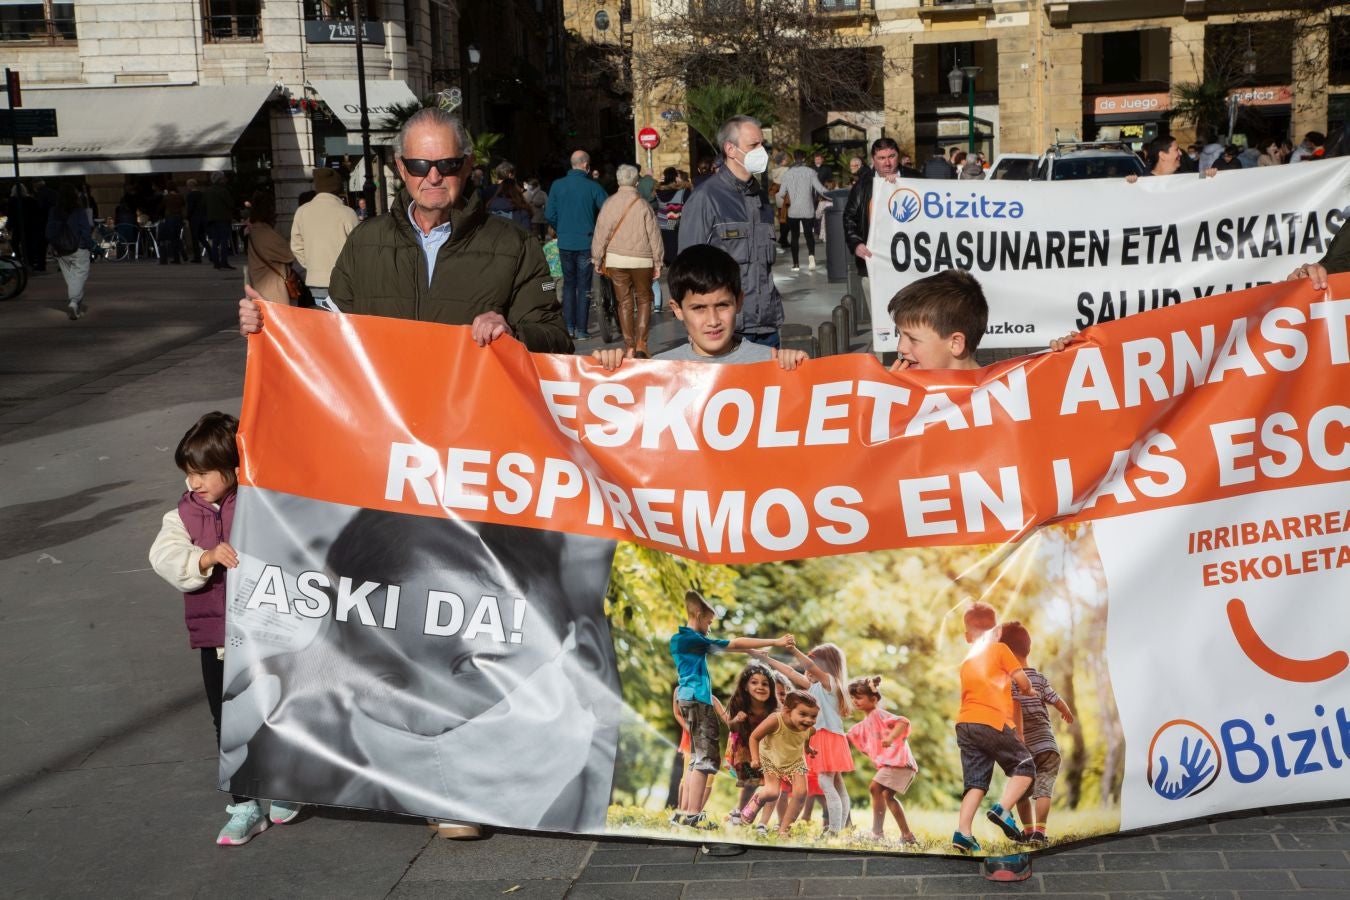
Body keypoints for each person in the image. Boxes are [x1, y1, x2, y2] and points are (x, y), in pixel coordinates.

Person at [225, 509, 621, 836]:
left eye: (474, 663)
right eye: (388, 680)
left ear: (586, 658)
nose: (433, 719)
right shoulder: (355, 787)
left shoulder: (646, 796)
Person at [239, 107, 570, 357]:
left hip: (471, 436)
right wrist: (269, 323)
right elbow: (331, 325)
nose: (434, 176)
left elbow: (556, 338)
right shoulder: (366, 240)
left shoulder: (515, 245)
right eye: (419, 165)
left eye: (448, 164)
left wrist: (513, 333)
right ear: (401, 167)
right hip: (390, 434)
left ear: (468, 166)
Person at [147, 412, 302, 845]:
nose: (194, 483)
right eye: (188, 475)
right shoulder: (183, 514)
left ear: (233, 468)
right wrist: (205, 558)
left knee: (277, 708)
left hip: (267, 633)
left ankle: (287, 785)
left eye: (202, 474)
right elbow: (164, 555)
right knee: (228, 718)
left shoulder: (260, 501)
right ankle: (245, 804)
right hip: (217, 637)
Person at [667, 590, 794, 829]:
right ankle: (693, 815)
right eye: (708, 622)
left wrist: (749, 652)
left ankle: (686, 813)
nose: (710, 627)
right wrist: (774, 642)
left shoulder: (682, 640)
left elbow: (733, 647)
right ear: (697, 614)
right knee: (706, 759)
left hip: (690, 700)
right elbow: (733, 644)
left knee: (697, 758)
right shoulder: (691, 639)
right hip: (697, 700)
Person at [677, 115, 784, 348]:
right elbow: (687, 270)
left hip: (767, 328)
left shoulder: (761, 198)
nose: (761, 151)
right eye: (753, 145)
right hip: (727, 332)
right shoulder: (705, 199)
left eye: (762, 145)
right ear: (730, 149)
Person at [950, 602, 1036, 853]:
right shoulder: (999, 649)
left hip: (965, 724)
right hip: (992, 721)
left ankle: (963, 833)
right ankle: (1003, 809)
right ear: (997, 631)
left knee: (975, 783)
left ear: (968, 637)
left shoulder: (967, 661)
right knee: (1025, 766)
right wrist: (1028, 687)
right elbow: (1022, 680)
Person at [752, 642, 854, 835]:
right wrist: (766, 659)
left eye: (814, 664)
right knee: (837, 784)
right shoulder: (815, 686)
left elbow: (809, 666)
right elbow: (790, 672)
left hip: (828, 737)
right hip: (826, 738)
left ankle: (833, 832)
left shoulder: (830, 682)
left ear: (825, 665)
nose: (808, 669)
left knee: (826, 783)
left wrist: (793, 650)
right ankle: (839, 830)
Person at [998, 622, 1075, 846]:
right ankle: (1040, 832)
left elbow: (1012, 708)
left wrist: (1015, 733)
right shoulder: (1039, 678)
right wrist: (1066, 711)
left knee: (1021, 791)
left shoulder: (1009, 682)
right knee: (1044, 789)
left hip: (1023, 748)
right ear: (1028, 649)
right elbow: (1055, 699)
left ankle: (1029, 831)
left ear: (1006, 653)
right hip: (1047, 746)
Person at [591, 163, 663, 357]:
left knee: (623, 302)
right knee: (645, 299)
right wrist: (658, 262)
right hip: (642, 261)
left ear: (618, 181)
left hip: (617, 260)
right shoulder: (643, 205)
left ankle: (629, 347)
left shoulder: (609, 204)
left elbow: (601, 233)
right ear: (636, 182)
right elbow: (654, 235)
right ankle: (642, 344)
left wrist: (597, 259)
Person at [737, 689, 819, 837]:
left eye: (813, 716)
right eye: (803, 714)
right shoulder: (776, 720)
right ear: (787, 711)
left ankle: (784, 831)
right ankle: (757, 800)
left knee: (801, 793)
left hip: (795, 760)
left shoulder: (810, 729)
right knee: (772, 792)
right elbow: (754, 737)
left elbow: (806, 737)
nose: (809, 720)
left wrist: (808, 748)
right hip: (771, 758)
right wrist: (755, 759)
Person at [847, 676, 919, 845]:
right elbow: (850, 736)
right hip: (896, 765)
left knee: (875, 788)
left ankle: (877, 833)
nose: (854, 701)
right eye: (852, 698)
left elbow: (903, 722)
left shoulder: (878, 714)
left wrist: (891, 737)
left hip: (899, 763)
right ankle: (907, 836)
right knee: (887, 796)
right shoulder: (866, 722)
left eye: (858, 697)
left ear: (873, 699)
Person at [546, 150, 609, 339]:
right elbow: (607, 209)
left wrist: (561, 228)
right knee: (583, 287)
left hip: (565, 242)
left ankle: (569, 327)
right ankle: (582, 330)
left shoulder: (557, 186)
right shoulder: (592, 186)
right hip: (585, 242)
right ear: (586, 166)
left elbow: (549, 214)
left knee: (568, 285)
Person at [887, 268, 987, 372]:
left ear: (955, 343)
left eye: (913, 339)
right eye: (900, 334)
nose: (900, 348)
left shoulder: (997, 388)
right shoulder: (907, 384)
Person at [290, 167, 359, 308]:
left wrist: (310, 263)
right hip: (344, 280)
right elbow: (358, 248)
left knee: (322, 322)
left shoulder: (302, 211)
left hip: (315, 279)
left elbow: (296, 246)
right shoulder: (347, 213)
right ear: (337, 188)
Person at [843, 138, 903, 287]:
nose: (887, 163)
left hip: (908, 262)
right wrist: (856, 243)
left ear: (898, 156)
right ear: (873, 160)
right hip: (873, 261)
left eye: (891, 156)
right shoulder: (862, 185)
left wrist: (902, 183)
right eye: (881, 158)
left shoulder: (915, 178)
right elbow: (849, 217)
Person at [723, 662, 778, 824]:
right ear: (745, 686)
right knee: (751, 783)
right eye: (754, 682)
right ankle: (740, 813)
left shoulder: (773, 710)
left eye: (765, 684)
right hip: (744, 750)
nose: (760, 687)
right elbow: (731, 727)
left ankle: (750, 815)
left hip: (766, 750)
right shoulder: (739, 703)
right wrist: (736, 719)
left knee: (769, 786)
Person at [45, 184, 94, 320]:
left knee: (71, 277)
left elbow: (49, 231)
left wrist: (54, 244)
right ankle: (73, 302)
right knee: (80, 275)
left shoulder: (54, 211)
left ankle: (76, 304)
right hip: (79, 247)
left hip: (61, 249)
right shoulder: (79, 211)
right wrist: (89, 245)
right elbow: (85, 230)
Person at [777, 149, 830, 272]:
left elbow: (781, 193)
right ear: (804, 159)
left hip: (793, 211)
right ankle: (811, 258)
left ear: (794, 159)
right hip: (808, 209)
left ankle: (796, 264)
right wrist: (833, 195)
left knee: (794, 237)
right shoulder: (811, 172)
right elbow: (820, 189)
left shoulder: (787, 174)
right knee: (809, 235)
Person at [244, 192, 295, 306]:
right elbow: (290, 254)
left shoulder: (256, 230)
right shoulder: (265, 233)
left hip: (261, 285)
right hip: (272, 292)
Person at [1125, 135, 1219, 181]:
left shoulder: (1183, 177)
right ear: (1162, 155)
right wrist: (1130, 183)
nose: (1180, 153)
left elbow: (1197, 177)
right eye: (1176, 150)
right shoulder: (1144, 181)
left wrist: (1208, 174)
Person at [205, 171, 235, 270]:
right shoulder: (223, 190)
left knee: (215, 241)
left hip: (212, 219)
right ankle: (224, 262)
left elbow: (204, 205)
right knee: (224, 241)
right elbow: (230, 204)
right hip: (223, 219)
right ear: (220, 179)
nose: (225, 179)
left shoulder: (208, 191)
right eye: (223, 178)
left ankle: (216, 263)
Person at [159, 184, 185, 264]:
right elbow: (183, 205)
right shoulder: (180, 196)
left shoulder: (167, 197)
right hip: (179, 218)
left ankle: (176, 258)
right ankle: (183, 255)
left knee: (172, 238)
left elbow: (161, 207)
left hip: (170, 218)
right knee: (177, 237)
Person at [185, 178, 206, 263]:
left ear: (190, 186)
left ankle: (197, 257)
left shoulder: (190, 195)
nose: (187, 187)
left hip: (194, 219)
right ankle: (211, 253)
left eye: (187, 186)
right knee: (202, 238)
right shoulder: (201, 194)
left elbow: (190, 208)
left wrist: (187, 217)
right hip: (202, 218)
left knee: (195, 238)